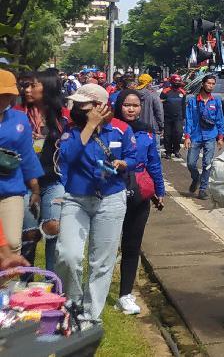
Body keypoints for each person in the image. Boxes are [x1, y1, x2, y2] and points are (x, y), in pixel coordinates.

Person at [55, 83, 132, 323]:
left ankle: (90, 314)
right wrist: (89, 125)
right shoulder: (72, 131)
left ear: (100, 105)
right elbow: (68, 156)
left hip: (111, 199)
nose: (76, 108)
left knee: (101, 262)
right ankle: (73, 302)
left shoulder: (120, 130)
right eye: (75, 104)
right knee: (68, 254)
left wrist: (123, 163)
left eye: (82, 105)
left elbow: (133, 156)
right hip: (76, 199)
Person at [112, 89, 166, 316]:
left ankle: (125, 294)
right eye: (126, 105)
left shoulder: (147, 134)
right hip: (112, 192)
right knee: (105, 248)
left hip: (139, 194)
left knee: (132, 246)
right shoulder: (110, 129)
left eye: (135, 105)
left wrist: (159, 190)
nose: (131, 109)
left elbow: (154, 163)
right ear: (118, 106)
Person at [17, 72, 68, 270]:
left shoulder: (62, 116)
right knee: (29, 234)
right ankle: (26, 282)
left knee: (54, 229)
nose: (27, 90)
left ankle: (53, 286)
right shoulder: (17, 114)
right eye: (25, 86)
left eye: (32, 85)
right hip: (25, 183)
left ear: (46, 88)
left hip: (53, 181)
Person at [0, 70, 42, 259]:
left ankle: (5, 286)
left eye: (8, 95)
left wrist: (35, 189)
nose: (4, 99)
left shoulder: (19, 119)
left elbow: (27, 155)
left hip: (11, 189)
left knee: (13, 243)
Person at [184, 74, 224, 200]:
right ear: (203, 84)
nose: (211, 86)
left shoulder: (216, 101)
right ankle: (196, 178)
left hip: (210, 136)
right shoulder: (192, 101)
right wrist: (187, 136)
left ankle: (203, 189)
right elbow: (189, 119)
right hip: (195, 137)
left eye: (213, 84)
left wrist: (220, 137)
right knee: (191, 163)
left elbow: (220, 119)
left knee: (207, 163)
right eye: (209, 83)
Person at [133, 74, 164, 145]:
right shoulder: (153, 95)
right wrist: (161, 125)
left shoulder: (133, 94)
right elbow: (159, 112)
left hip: (136, 128)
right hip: (153, 128)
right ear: (149, 83)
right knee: (155, 150)